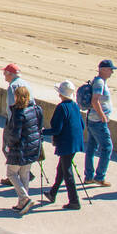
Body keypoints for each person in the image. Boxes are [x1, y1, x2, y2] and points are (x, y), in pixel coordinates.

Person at [41, 81, 83, 209]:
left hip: (67, 143)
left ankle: (74, 201)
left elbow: (57, 129)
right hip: (75, 142)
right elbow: (81, 124)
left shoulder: (61, 107)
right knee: (62, 168)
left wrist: (42, 132)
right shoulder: (75, 105)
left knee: (67, 171)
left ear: (60, 94)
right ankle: (52, 193)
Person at [4, 85, 43, 214]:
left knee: (11, 173)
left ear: (16, 97)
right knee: (24, 174)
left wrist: (8, 145)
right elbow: (39, 128)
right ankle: (22, 203)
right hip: (33, 147)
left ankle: (24, 198)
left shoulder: (18, 113)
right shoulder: (36, 109)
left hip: (20, 149)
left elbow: (15, 135)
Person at [84, 59, 116, 187]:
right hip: (98, 121)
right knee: (107, 148)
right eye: (110, 69)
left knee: (91, 147)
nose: (112, 72)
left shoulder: (99, 81)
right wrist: (103, 116)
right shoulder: (99, 83)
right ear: (102, 69)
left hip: (92, 119)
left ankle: (89, 176)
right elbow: (95, 100)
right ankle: (100, 176)